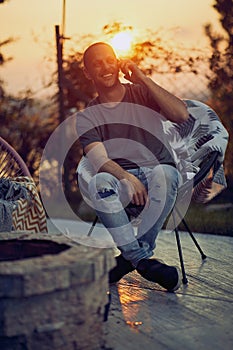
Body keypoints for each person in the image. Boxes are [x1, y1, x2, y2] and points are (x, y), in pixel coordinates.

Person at [76, 42, 189, 292]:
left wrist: (143, 79)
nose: (106, 67)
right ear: (88, 72)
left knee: (166, 174)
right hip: (121, 181)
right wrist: (126, 176)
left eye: (110, 60)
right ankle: (142, 260)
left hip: (158, 174)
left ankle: (129, 259)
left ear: (118, 62)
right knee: (99, 183)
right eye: (97, 63)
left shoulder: (142, 93)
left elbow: (181, 114)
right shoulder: (87, 116)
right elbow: (98, 160)